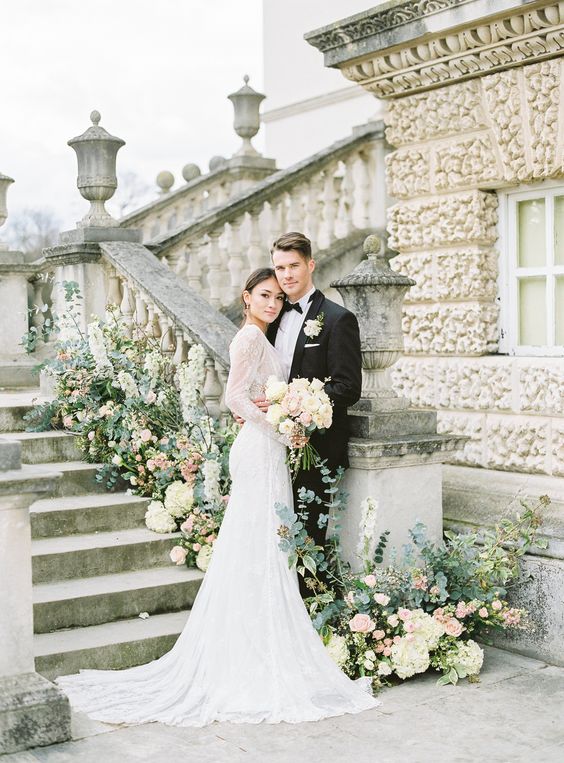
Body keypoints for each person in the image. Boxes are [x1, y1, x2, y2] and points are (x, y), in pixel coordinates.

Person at [55, 267, 379, 727]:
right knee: (259, 543)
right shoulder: (248, 339)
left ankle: (258, 645)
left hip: (269, 450)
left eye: (275, 297)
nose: (271, 303)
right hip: (260, 449)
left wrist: (286, 417)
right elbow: (234, 398)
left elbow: (262, 395)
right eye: (262, 295)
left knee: (263, 545)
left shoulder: (263, 337)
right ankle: (248, 660)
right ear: (246, 298)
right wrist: (283, 429)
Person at [264, 232, 362, 597]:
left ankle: (310, 611)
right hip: (273, 442)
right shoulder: (271, 317)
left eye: (293, 266)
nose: (286, 275)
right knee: (274, 528)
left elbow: (348, 387)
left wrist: (302, 406)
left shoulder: (338, 319)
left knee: (308, 535)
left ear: (310, 265)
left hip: (315, 449)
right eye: (279, 268)